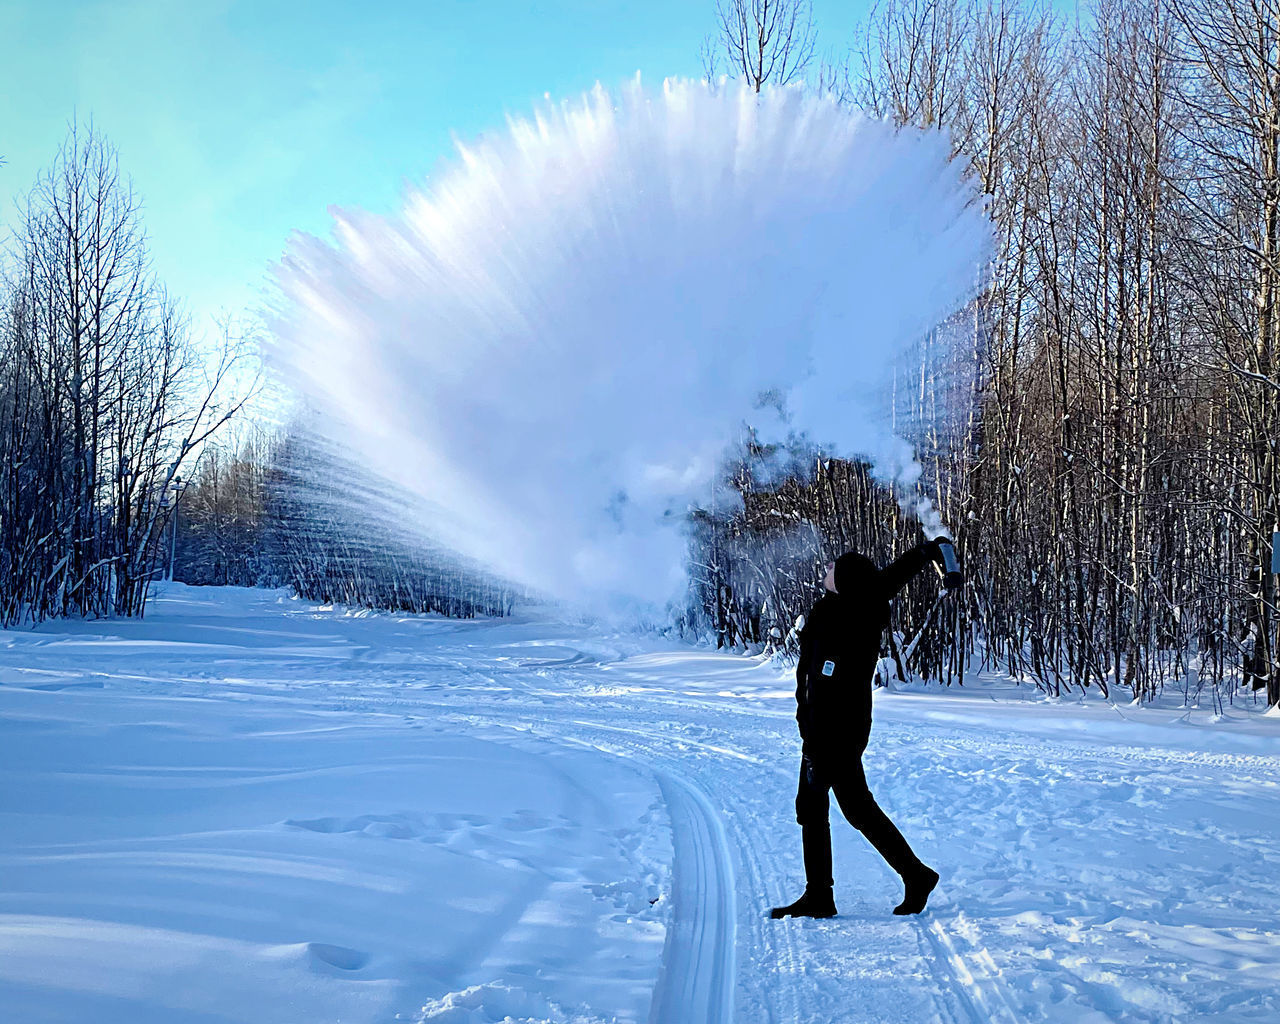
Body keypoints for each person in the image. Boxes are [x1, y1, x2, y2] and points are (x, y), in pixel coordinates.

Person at [770, 540, 947, 920]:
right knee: (846, 807)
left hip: (833, 730)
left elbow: (826, 683)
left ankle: (828, 893)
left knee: (825, 807)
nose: (826, 569)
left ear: (847, 580)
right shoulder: (846, 606)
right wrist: (927, 551)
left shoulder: (850, 615)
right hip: (831, 728)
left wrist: (814, 735)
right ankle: (908, 877)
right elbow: (890, 577)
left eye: (833, 567)